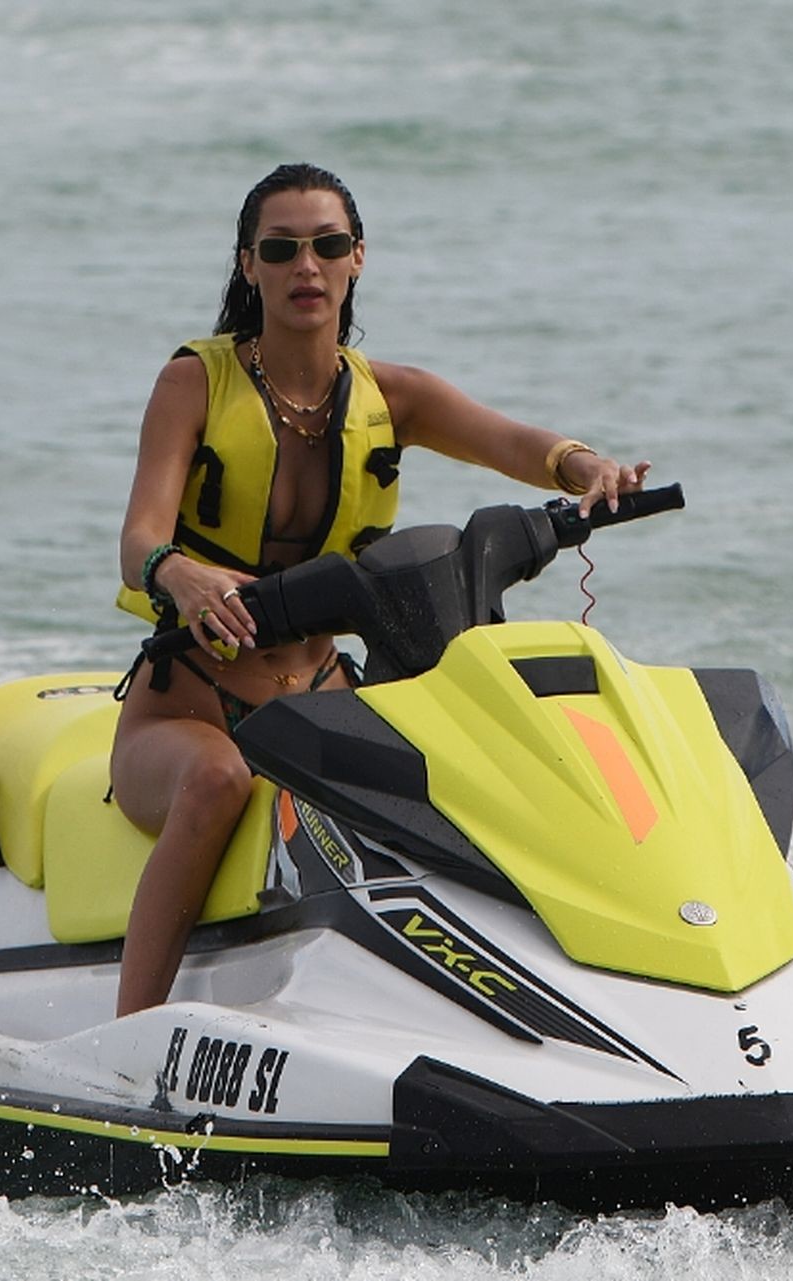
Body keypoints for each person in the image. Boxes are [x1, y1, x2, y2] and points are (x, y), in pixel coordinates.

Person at [109, 163, 651, 1016]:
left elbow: (513, 441)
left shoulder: (392, 397)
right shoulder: (194, 383)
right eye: (281, 249)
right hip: (191, 705)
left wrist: (588, 468)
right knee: (218, 780)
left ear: (357, 257)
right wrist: (175, 570)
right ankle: (128, 1039)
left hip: (323, 697)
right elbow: (139, 536)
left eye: (327, 245)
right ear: (248, 265)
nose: (306, 266)